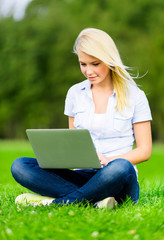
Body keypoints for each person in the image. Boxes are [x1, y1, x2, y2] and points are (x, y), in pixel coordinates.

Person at [11, 28, 152, 208]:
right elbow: (73, 143)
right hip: (82, 176)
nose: (88, 71)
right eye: (83, 64)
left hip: (117, 177)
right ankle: (95, 201)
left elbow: (145, 151)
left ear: (109, 60)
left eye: (94, 63)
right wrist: (61, 157)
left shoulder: (135, 96)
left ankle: (60, 203)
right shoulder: (75, 93)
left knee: (122, 166)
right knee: (20, 165)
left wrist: (109, 161)